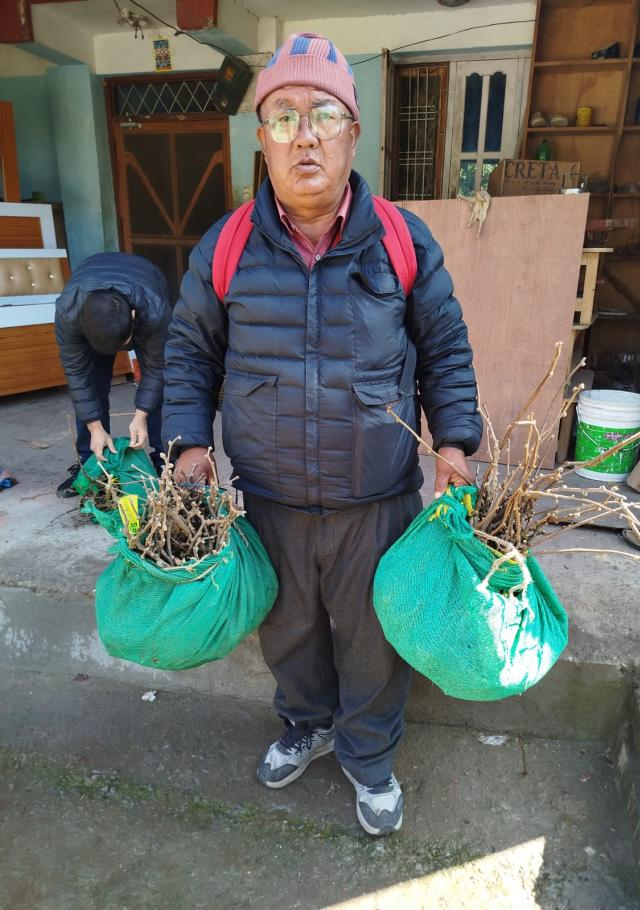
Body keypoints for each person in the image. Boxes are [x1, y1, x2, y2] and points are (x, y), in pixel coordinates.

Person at [162, 32, 482, 836]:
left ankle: (368, 758)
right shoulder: (227, 246)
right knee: (288, 630)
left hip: (374, 500)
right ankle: (306, 724)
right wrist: (190, 444)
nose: (303, 135)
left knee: (372, 642)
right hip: (269, 497)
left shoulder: (401, 239)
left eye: (323, 115)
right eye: (283, 117)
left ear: (352, 132)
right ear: (262, 139)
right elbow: (190, 351)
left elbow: (444, 347)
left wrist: (454, 444)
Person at [55, 252, 172, 495]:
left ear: (132, 316)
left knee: (162, 389)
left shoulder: (155, 309)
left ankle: (165, 462)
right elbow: (78, 376)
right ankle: (90, 463)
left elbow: (156, 369)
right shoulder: (68, 313)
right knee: (92, 383)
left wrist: (141, 415)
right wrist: (94, 427)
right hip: (89, 279)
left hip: (145, 278)